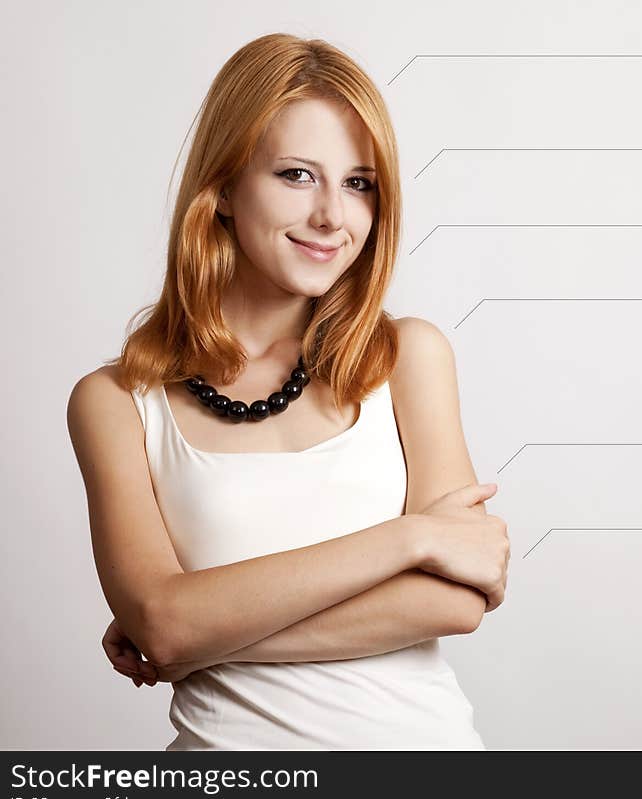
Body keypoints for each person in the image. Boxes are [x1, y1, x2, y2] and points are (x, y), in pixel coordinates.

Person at [66, 33, 510, 751]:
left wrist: (202, 632)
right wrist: (411, 537)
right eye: (298, 175)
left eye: (360, 182)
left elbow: (457, 599)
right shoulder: (115, 403)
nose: (334, 215)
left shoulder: (408, 358)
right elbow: (163, 620)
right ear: (223, 189)